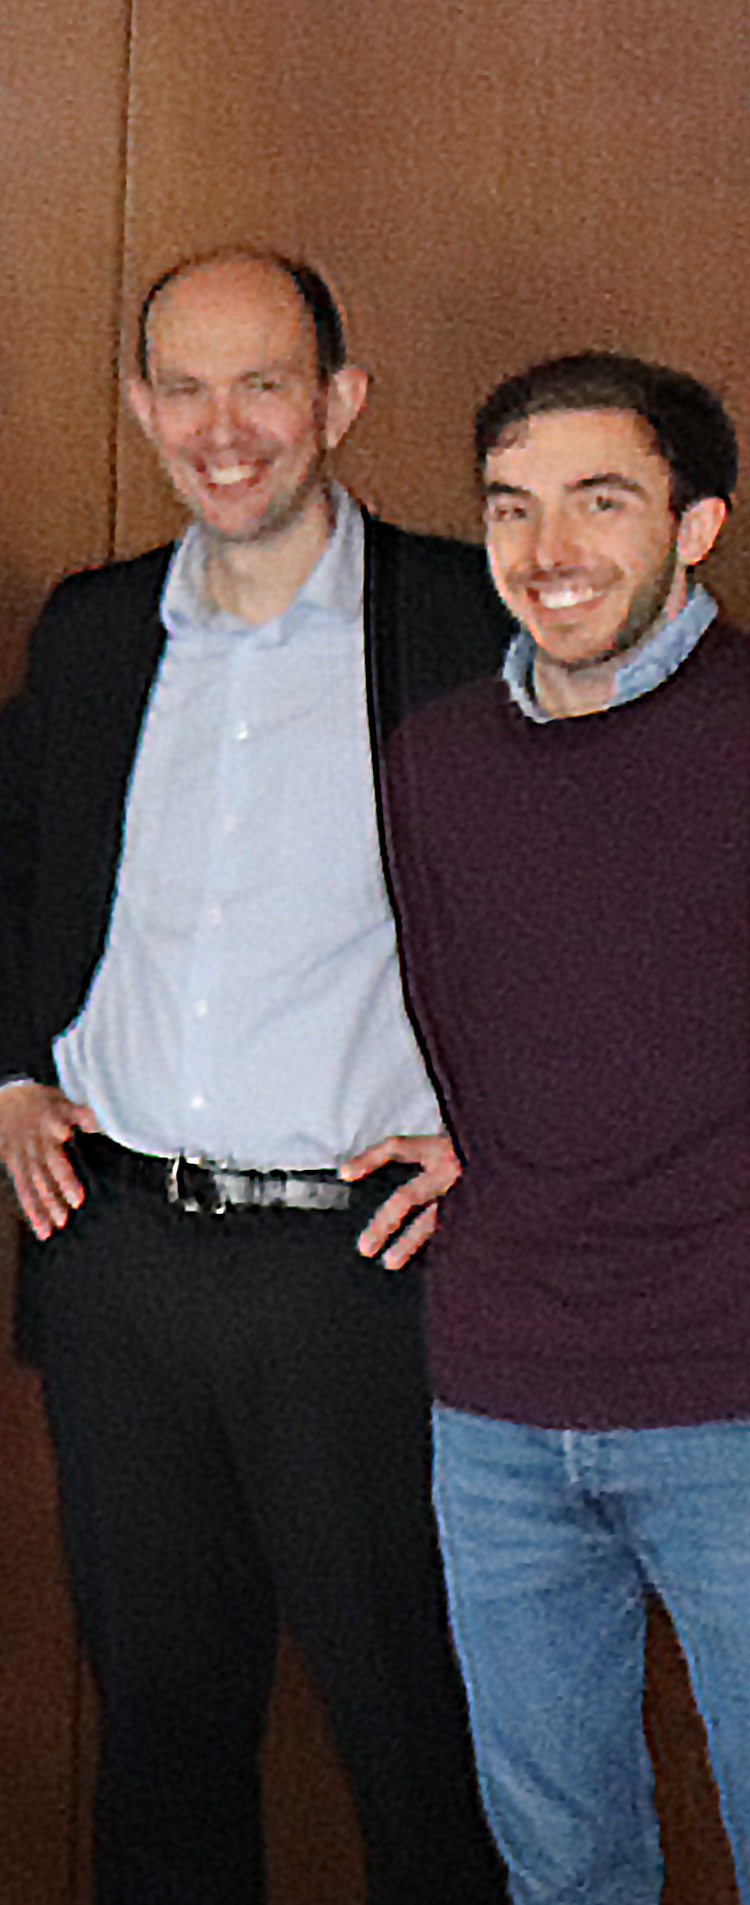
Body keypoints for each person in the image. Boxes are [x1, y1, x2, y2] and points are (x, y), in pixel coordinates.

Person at [0, 250, 505, 1903]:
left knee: (417, 1747)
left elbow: (602, 880)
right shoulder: (96, 628)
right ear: (137, 407)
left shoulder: (458, 620)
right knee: (160, 1751)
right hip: (115, 1265)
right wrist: (0, 1088)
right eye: (181, 388)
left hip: (357, 1275)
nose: (220, 428)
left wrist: (504, 1130)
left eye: (261, 384)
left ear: (338, 400)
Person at [381, 352, 750, 1905]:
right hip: (498, 1403)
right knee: (562, 1872)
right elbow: (455, 1019)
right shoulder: (436, 758)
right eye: (509, 507)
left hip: (730, 1394)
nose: (546, 550)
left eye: (598, 502)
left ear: (694, 525)